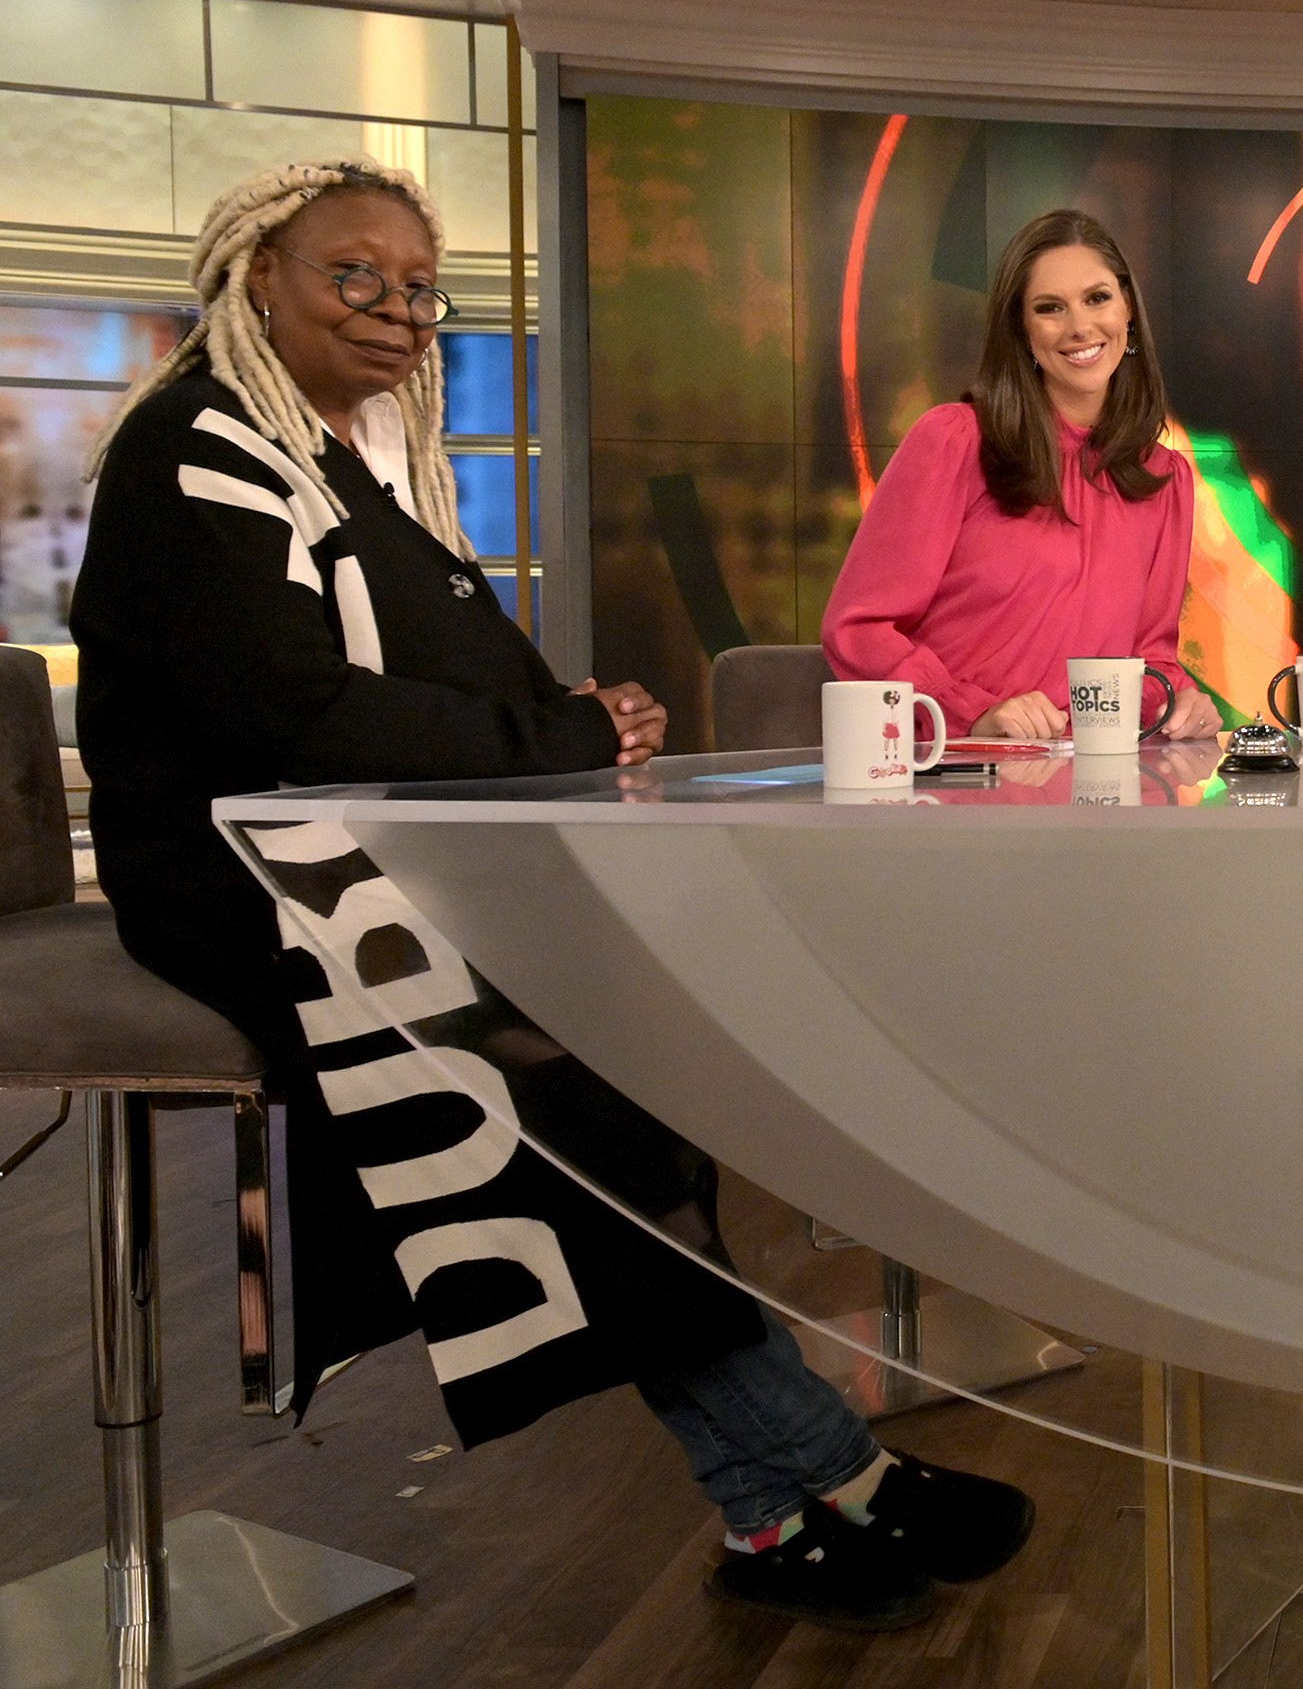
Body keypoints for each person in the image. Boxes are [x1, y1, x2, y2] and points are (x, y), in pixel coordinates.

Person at [71, 160, 1030, 1632]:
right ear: (261, 274)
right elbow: (293, 710)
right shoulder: (198, 446)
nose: (397, 309)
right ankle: (820, 1472)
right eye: (355, 276)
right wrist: (552, 736)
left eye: (414, 284)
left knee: (606, 1050)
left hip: (345, 849)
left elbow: (455, 665)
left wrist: (582, 711)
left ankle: (788, 1497)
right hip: (242, 874)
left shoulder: (344, 452)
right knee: (553, 1073)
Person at [825, 209, 1217, 741]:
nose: (1080, 327)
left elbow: (1149, 660)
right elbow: (860, 630)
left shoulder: (1162, 478)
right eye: (1050, 308)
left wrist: (1181, 703)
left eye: (1097, 298)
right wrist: (971, 713)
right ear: (1022, 330)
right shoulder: (954, 441)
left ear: (1127, 309)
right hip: (957, 782)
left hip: (1098, 793)